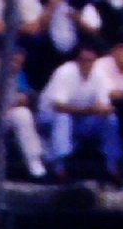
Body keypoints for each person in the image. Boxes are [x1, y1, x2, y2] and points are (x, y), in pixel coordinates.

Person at [35, 39, 118, 180]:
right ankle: (60, 167)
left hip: (79, 120)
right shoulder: (65, 72)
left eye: (90, 60)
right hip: (49, 120)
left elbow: (103, 103)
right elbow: (58, 107)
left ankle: (112, 166)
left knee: (111, 119)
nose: (86, 64)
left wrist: (105, 109)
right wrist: (91, 111)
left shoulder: (99, 74)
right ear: (77, 60)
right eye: (83, 60)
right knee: (63, 118)